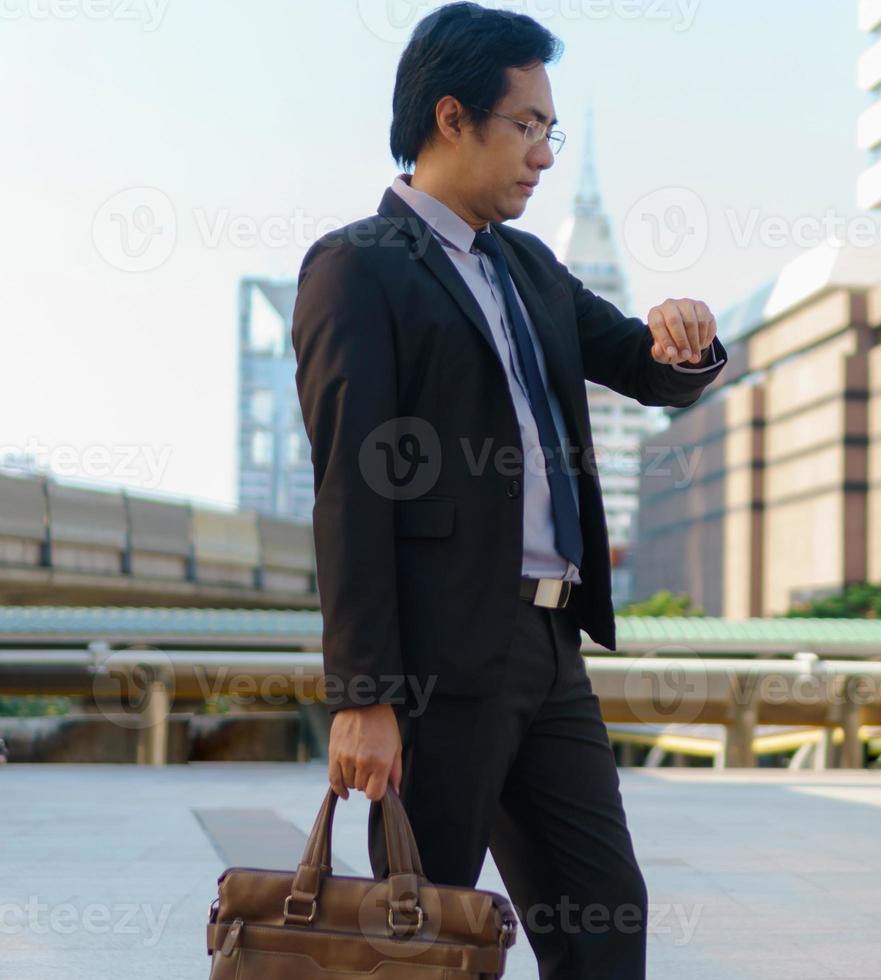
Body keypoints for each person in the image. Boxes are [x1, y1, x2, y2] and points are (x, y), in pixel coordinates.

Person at [290, 5, 726, 977]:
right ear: (453, 119)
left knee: (604, 914)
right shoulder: (358, 268)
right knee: (425, 924)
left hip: (550, 647)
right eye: (527, 125)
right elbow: (350, 493)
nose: (543, 153)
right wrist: (364, 694)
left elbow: (644, 363)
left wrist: (688, 336)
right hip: (441, 662)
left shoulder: (529, 266)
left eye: (549, 131)